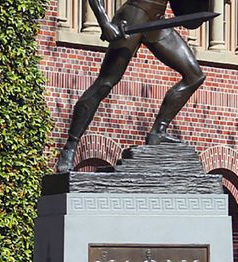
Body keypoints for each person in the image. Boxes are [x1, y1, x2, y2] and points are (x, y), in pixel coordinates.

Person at [55, 0, 207, 173]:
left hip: (156, 21)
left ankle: (158, 131)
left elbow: (184, 10)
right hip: (132, 17)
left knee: (194, 76)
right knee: (105, 83)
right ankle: (70, 146)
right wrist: (104, 22)